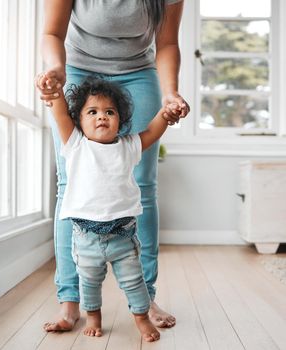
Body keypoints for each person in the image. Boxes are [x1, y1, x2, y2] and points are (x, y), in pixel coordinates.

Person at [36, 0, 190, 332]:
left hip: (138, 73)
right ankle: (70, 301)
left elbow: (166, 43)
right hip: (75, 68)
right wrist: (56, 68)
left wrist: (171, 93)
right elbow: (52, 32)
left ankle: (145, 297)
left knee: (143, 187)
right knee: (70, 185)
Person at [41, 75, 180, 341]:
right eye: (92, 112)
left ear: (120, 119)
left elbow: (152, 131)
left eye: (109, 112)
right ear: (79, 121)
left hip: (123, 237)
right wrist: (53, 90)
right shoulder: (76, 144)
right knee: (89, 283)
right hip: (85, 239)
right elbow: (59, 113)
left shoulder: (129, 146)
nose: (101, 117)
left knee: (134, 282)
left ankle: (141, 317)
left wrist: (166, 112)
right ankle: (93, 317)